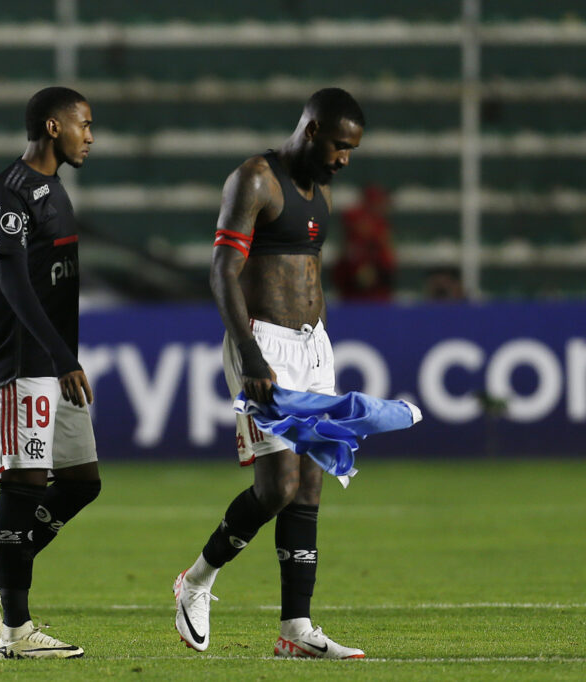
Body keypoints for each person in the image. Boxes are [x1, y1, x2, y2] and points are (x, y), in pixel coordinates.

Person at [173, 88, 367, 659]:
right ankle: (197, 579)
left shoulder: (321, 190)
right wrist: (250, 352)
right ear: (310, 130)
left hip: (313, 348)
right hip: (263, 345)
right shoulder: (255, 179)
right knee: (277, 487)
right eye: (338, 145)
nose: (344, 159)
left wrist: (322, 345)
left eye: (352, 149)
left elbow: (308, 273)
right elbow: (222, 272)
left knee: (309, 485)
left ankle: (296, 629)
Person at [0, 86, 100, 660]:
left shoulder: (54, 189)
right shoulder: (8, 194)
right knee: (26, 484)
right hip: (18, 359)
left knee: (82, 482)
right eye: (84, 124)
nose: (91, 135)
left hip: (51, 359)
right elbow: (13, 283)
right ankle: (16, 628)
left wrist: (61, 355)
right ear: (54, 127)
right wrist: (61, 356)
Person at [333, 184, 396, 301]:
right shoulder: (354, 225)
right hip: (352, 295)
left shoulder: (381, 228)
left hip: (378, 296)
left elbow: (389, 266)